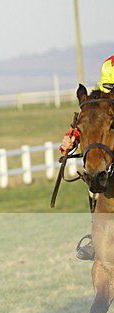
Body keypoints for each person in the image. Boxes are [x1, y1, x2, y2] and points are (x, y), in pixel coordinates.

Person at [58, 55, 114, 260]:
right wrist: (70, 139)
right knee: (96, 183)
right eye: (109, 88)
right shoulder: (100, 103)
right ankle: (97, 237)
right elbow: (90, 123)